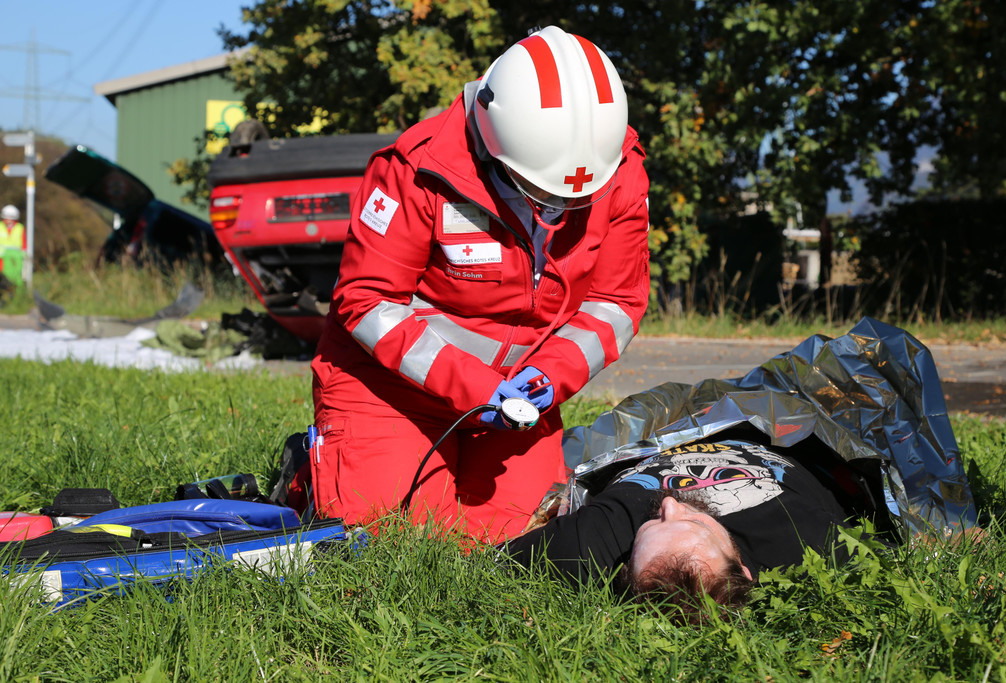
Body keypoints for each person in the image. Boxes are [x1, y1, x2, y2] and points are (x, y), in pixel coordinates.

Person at [310, 26, 650, 542]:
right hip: (391, 388)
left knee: (520, 545)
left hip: (518, 401)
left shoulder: (617, 168)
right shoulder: (420, 168)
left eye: (572, 199)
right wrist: (474, 385)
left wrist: (547, 378)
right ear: (494, 139)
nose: (555, 208)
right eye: (538, 189)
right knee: (394, 540)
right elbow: (367, 299)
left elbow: (615, 304)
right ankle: (311, 468)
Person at [504, 436, 897, 622]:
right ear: (745, 571)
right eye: (696, 524)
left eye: (653, 525)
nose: (670, 505)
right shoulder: (808, 541)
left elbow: (494, 561)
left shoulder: (593, 542)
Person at [0, 204, 26, 287]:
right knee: (3, 276)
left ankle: (18, 292)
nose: (7, 220)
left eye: (10, 217)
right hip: (2, 257)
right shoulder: (0, 227)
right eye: (6, 217)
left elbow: (24, 242)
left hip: (16, 257)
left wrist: (24, 253)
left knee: (16, 276)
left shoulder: (20, 228)